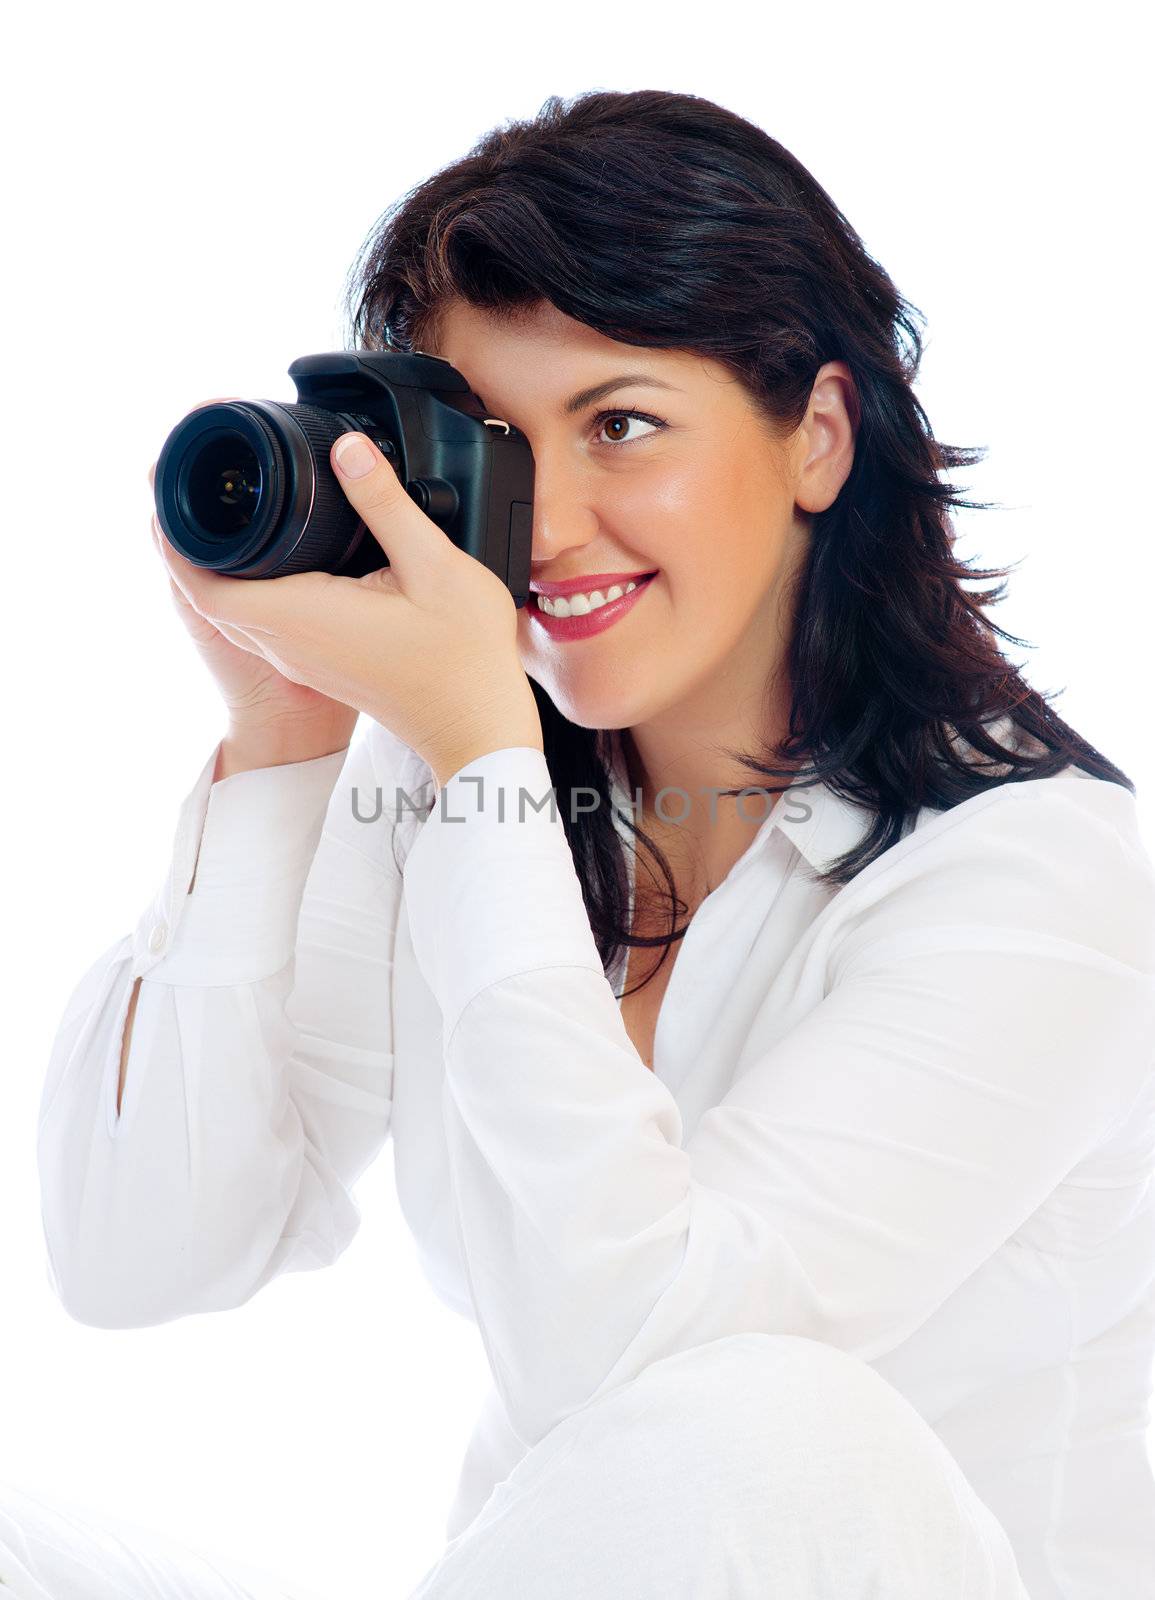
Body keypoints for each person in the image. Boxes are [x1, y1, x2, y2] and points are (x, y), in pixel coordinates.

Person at [16, 87, 1155, 1599]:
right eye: (496, 445)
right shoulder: (468, 798)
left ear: (818, 436)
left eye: (622, 425)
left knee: (780, 1422)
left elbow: (638, 1365)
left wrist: (479, 756)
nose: (545, 527)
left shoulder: (1043, 879)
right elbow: (142, 1254)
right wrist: (286, 739)